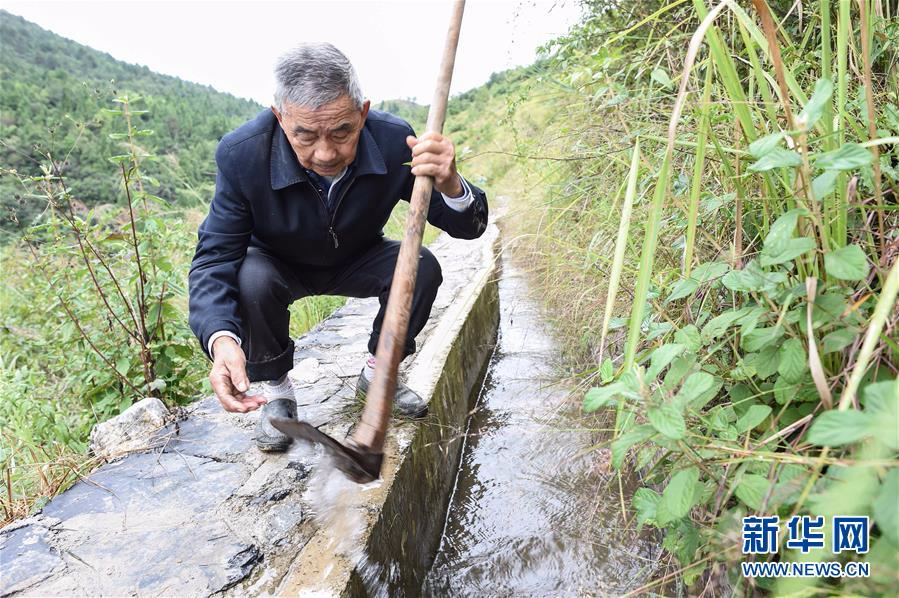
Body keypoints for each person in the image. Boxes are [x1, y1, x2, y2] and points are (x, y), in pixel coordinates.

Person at [188, 43, 489, 452]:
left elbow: (468, 227)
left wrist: (451, 184)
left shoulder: (392, 141)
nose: (326, 153)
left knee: (421, 265)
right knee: (249, 276)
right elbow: (214, 258)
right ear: (280, 119)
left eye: (342, 132)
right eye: (305, 136)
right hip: (277, 265)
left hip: (357, 256)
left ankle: (379, 375)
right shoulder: (243, 155)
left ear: (363, 113)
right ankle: (277, 394)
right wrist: (222, 339)